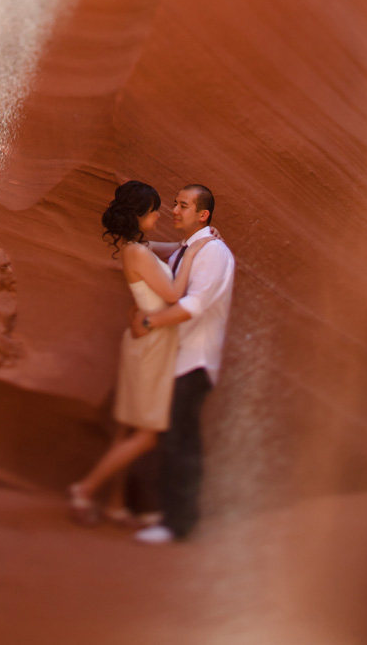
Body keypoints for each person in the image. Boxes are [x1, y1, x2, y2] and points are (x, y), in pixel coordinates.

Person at [68, 180, 215, 525]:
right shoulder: (138, 253)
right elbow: (175, 292)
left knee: (128, 428)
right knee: (147, 434)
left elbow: (168, 250)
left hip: (147, 340)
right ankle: (85, 490)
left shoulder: (138, 247)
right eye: (153, 211)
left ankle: (116, 504)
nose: (160, 214)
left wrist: (189, 244)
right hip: (151, 345)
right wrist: (195, 252)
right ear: (139, 215)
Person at [131, 183, 235, 545]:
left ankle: (180, 523)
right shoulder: (191, 248)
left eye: (183, 205)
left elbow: (194, 305)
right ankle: (172, 514)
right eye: (175, 204)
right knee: (173, 439)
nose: (175, 210)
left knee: (180, 442)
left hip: (195, 361)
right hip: (177, 359)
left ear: (203, 214)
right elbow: (154, 252)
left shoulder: (214, 253)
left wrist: (149, 323)